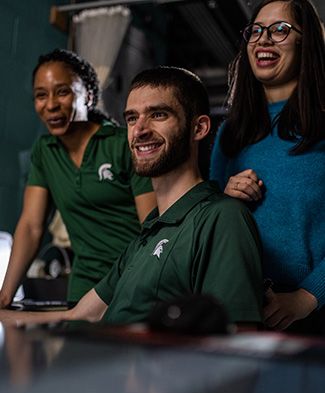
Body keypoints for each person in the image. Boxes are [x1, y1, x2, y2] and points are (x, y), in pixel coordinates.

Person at [0, 66, 263, 330]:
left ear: (199, 127)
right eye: (131, 118)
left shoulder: (221, 218)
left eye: (158, 114)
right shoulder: (145, 236)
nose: (140, 130)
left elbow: (237, 348)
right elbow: (79, 315)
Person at [0, 49, 156, 307]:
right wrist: (6, 295)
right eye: (41, 95)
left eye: (63, 92)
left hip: (134, 283)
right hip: (83, 288)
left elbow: (152, 229)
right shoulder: (44, 151)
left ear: (89, 96)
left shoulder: (122, 144)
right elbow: (31, 226)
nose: (50, 104)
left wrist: (138, 287)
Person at [209, 0, 325, 334]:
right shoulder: (232, 132)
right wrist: (226, 200)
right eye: (256, 31)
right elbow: (211, 227)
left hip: (314, 315)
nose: (263, 40)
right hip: (245, 312)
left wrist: (306, 297)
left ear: (307, 42)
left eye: (280, 30)